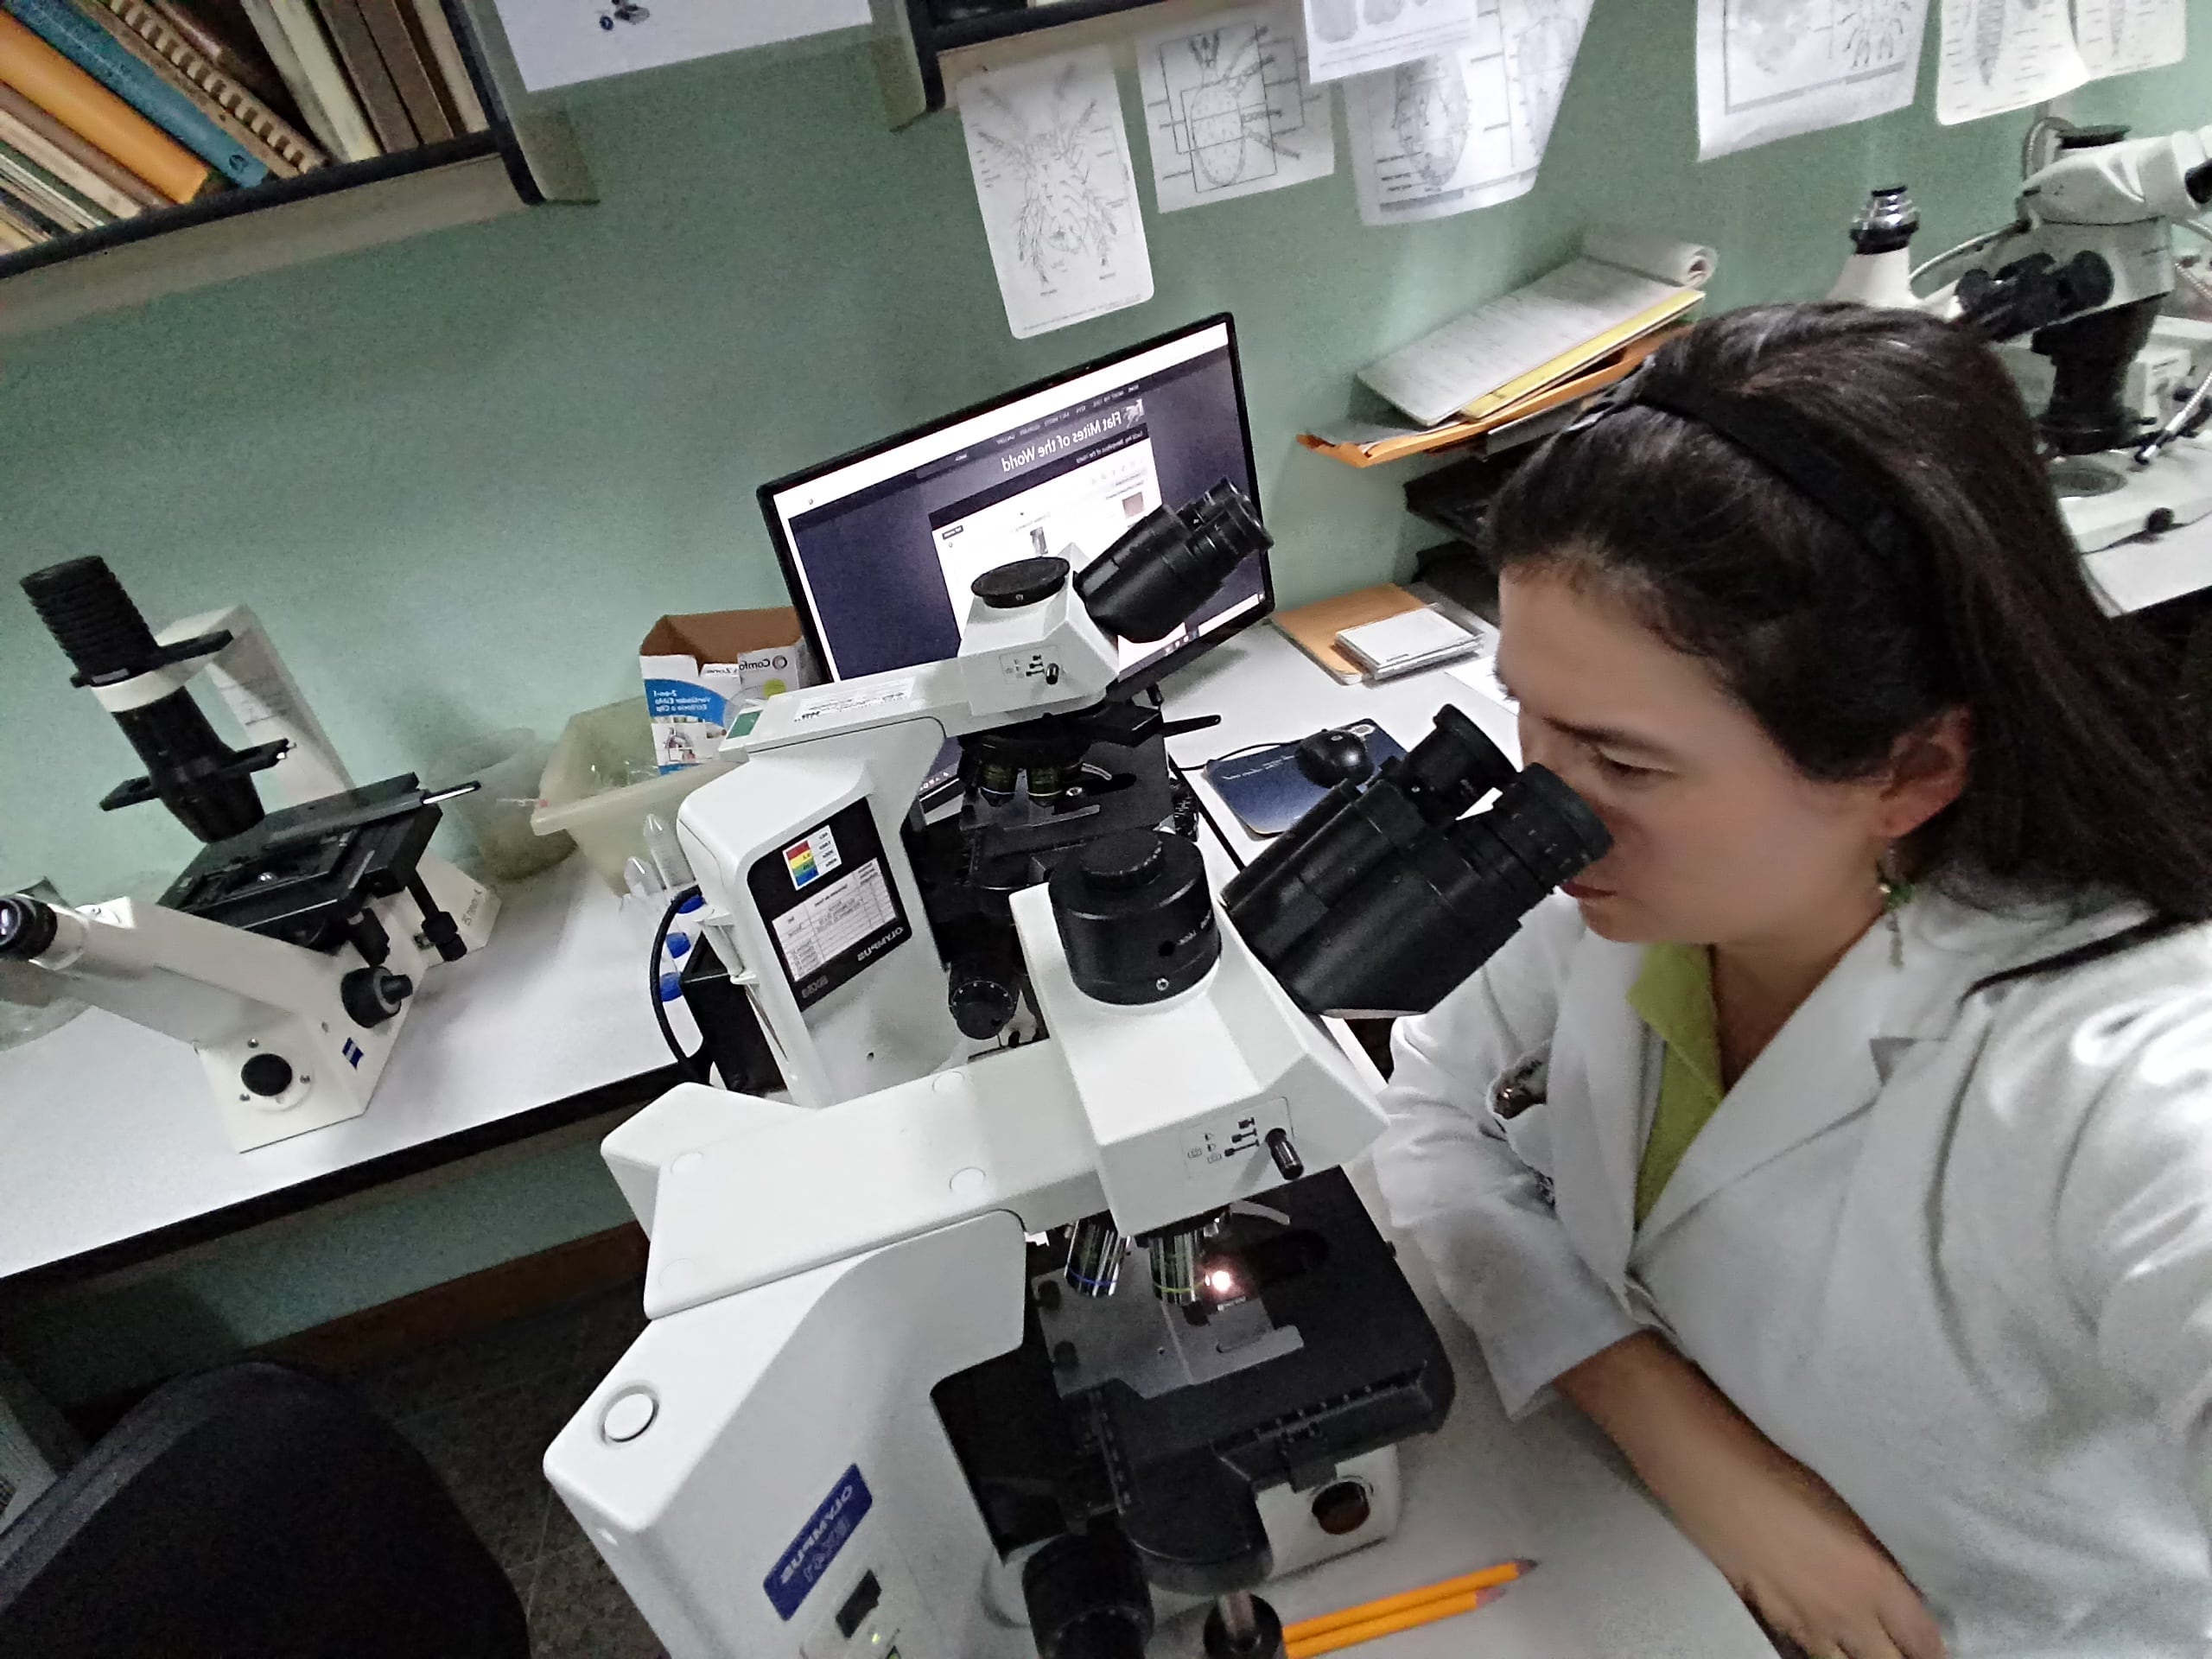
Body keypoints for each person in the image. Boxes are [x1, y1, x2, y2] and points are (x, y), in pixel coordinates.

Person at [1371, 302, 2212, 1659]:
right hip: (1660, 1564)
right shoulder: (1635, 883)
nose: (1550, 805)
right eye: (1530, 716)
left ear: (1910, 772)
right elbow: (1426, 1112)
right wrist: (1672, 1423)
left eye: (1626, 762)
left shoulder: (2126, 1073)